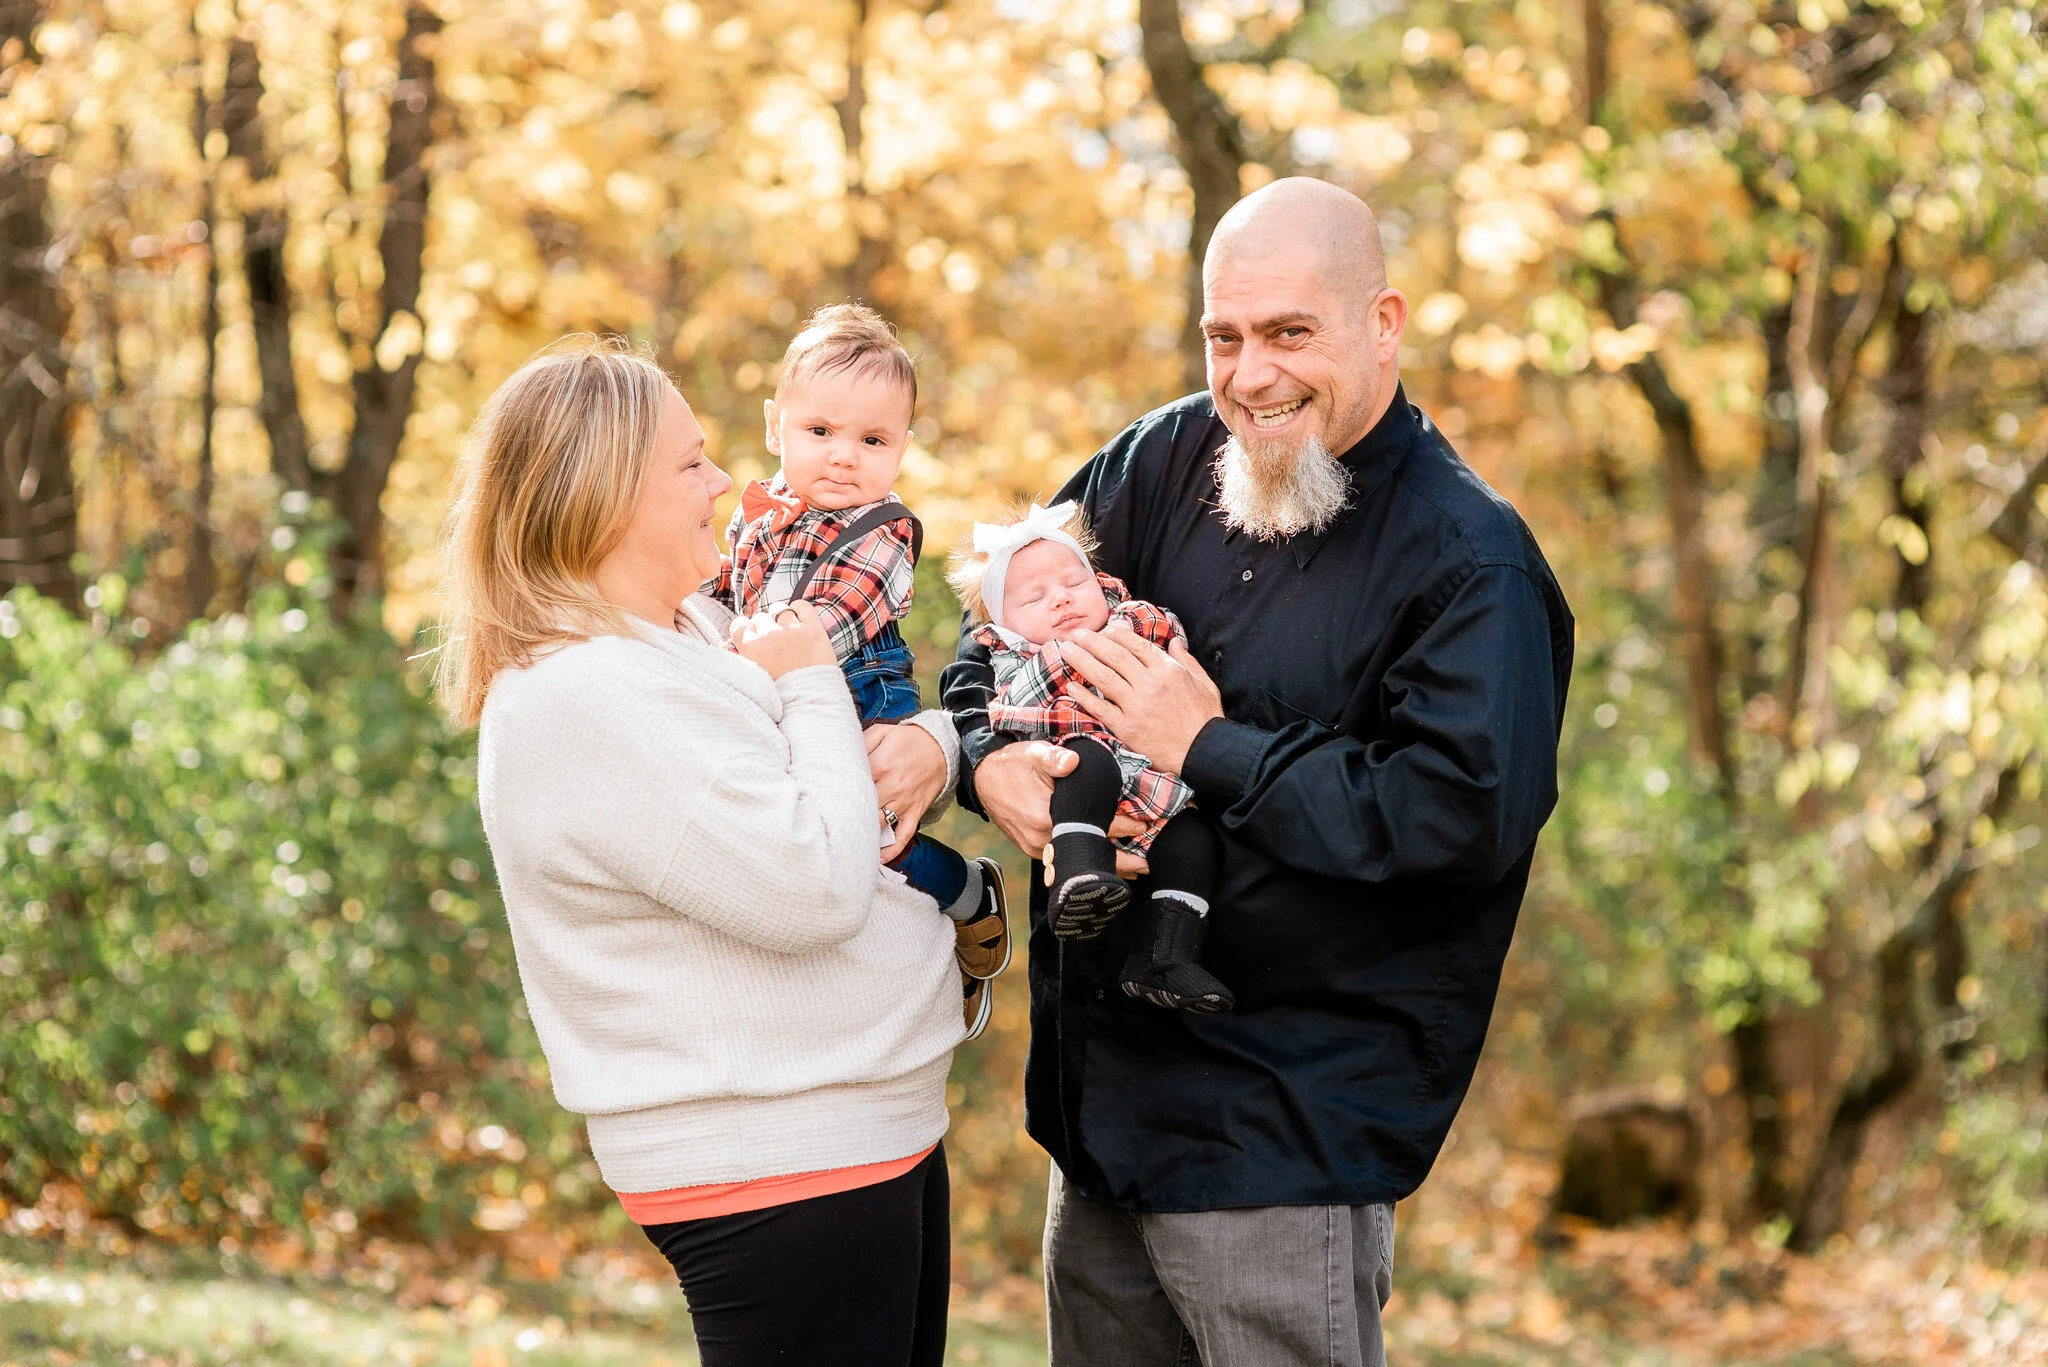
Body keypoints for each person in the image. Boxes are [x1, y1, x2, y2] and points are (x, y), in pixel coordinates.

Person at [935, 177, 1576, 1366]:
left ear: (1380, 323)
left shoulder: (1469, 561)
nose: (1249, 375)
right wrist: (989, 763)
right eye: (1223, 336)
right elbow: (997, 624)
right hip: (1096, 1122)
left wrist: (1206, 745)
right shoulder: (1161, 458)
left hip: (1281, 1141)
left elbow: (1451, 824)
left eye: (1289, 333)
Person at [441, 336, 963, 1367]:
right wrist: (813, 676)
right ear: (599, 497)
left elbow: (851, 762)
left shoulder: (683, 634)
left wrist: (931, 744)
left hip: (862, 1131)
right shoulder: (581, 693)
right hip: (779, 1165)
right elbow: (814, 883)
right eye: (688, 463)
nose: (724, 481)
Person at [712, 304, 1009, 1036]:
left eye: (872, 440)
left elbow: (828, 626)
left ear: (902, 448)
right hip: (777, 694)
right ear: (775, 425)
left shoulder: (883, 531)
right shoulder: (753, 514)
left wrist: (734, 661)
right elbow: (718, 590)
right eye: (821, 432)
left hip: (859, 700)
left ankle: (967, 894)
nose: (845, 456)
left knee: (875, 842)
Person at [946, 500, 1232, 1013]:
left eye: (1075, 583)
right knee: (1086, 763)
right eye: (1035, 597)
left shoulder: (1131, 615)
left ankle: (1164, 955)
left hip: (1149, 779)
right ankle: (1081, 870)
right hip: (1078, 755)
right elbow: (1004, 702)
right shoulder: (1012, 655)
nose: (1061, 599)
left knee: (1192, 842)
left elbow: (1172, 643)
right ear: (1003, 623)